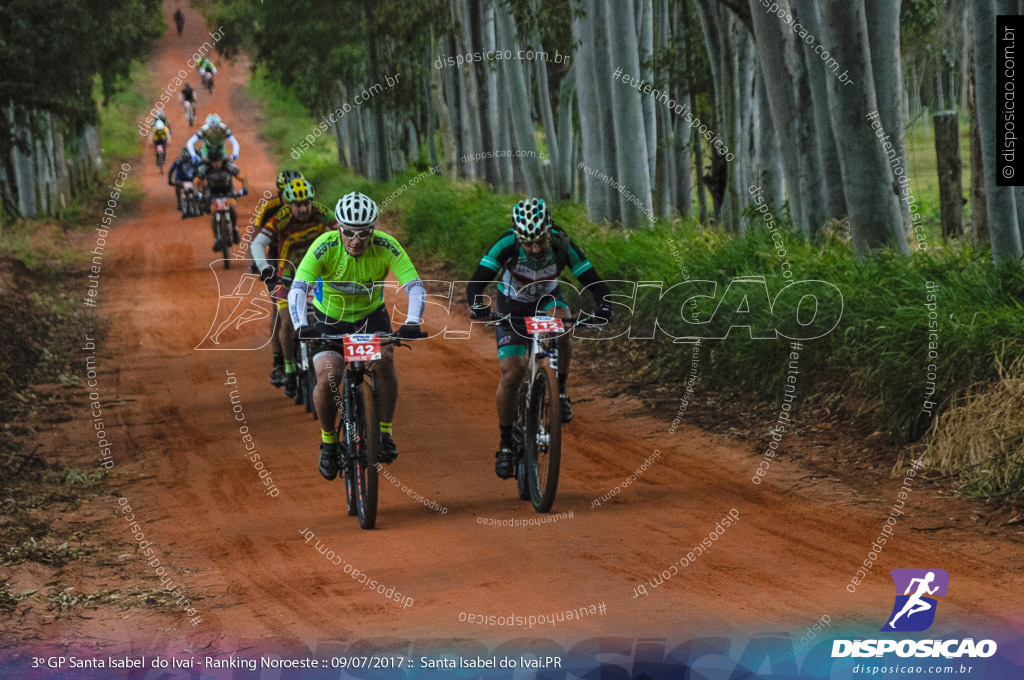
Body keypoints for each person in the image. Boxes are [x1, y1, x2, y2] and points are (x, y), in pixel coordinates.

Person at [465, 197, 613, 479]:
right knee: (513, 374)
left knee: (560, 325)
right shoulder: (506, 244)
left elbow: (594, 281)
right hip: (513, 306)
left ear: (549, 230)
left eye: (540, 242)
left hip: (548, 300)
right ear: (517, 235)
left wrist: (604, 305)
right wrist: (478, 305)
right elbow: (476, 282)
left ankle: (560, 390)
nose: (534, 248)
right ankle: (506, 442)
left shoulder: (560, 242)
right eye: (528, 243)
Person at [287, 192, 426, 479]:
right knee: (328, 378)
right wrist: (302, 325)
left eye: (364, 233)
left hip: (370, 319)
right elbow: (298, 289)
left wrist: (412, 321)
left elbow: (414, 286)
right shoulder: (323, 247)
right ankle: (328, 442)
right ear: (338, 227)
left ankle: (384, 433)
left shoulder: (387, 245)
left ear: (373, 230)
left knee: (385, 362)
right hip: (329, 321)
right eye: (349, 232)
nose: (356, 240)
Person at [250, 177, 333, 398]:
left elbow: (343, 232)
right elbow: (257, 243)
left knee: (324, 316)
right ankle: (288, 368)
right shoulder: (280, 218)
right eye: (298, 205)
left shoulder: (322, 212)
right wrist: (264, 267)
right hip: (287, 275)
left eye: (307, 203)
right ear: (289, 205)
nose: (304, 209)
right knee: (286, 322)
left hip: (317, 273)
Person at [250, 170, 304, 387]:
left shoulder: (307, 207)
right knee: (278, 308)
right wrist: (257, 264)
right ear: (281, 192)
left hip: (303, 257)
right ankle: (279, 363)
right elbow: (255, 236)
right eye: (288, 192)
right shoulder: (269, 207)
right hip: (276, 258)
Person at [196, 148, 247, 250]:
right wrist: (197, 193)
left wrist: (244, 189)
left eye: (218, 161)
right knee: (214, 213)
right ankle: (216, 239)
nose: (216, 164)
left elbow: (243, 178)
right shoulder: (205, 168)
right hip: (212, 192)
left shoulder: (228, 166)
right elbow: (196, 181)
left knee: (232, 207)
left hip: (228, 191)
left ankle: (235, 228)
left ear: (221, 160)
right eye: (213, 162)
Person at [167, 148, 198, 213]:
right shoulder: (178, 161)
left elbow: (198, 170)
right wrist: (170, 180)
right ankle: (179, 202)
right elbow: (171, 170)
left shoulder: (194, 161)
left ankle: (197, 202)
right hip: (180, 180)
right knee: (177, 185)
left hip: (191, 180)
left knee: (197, 187)